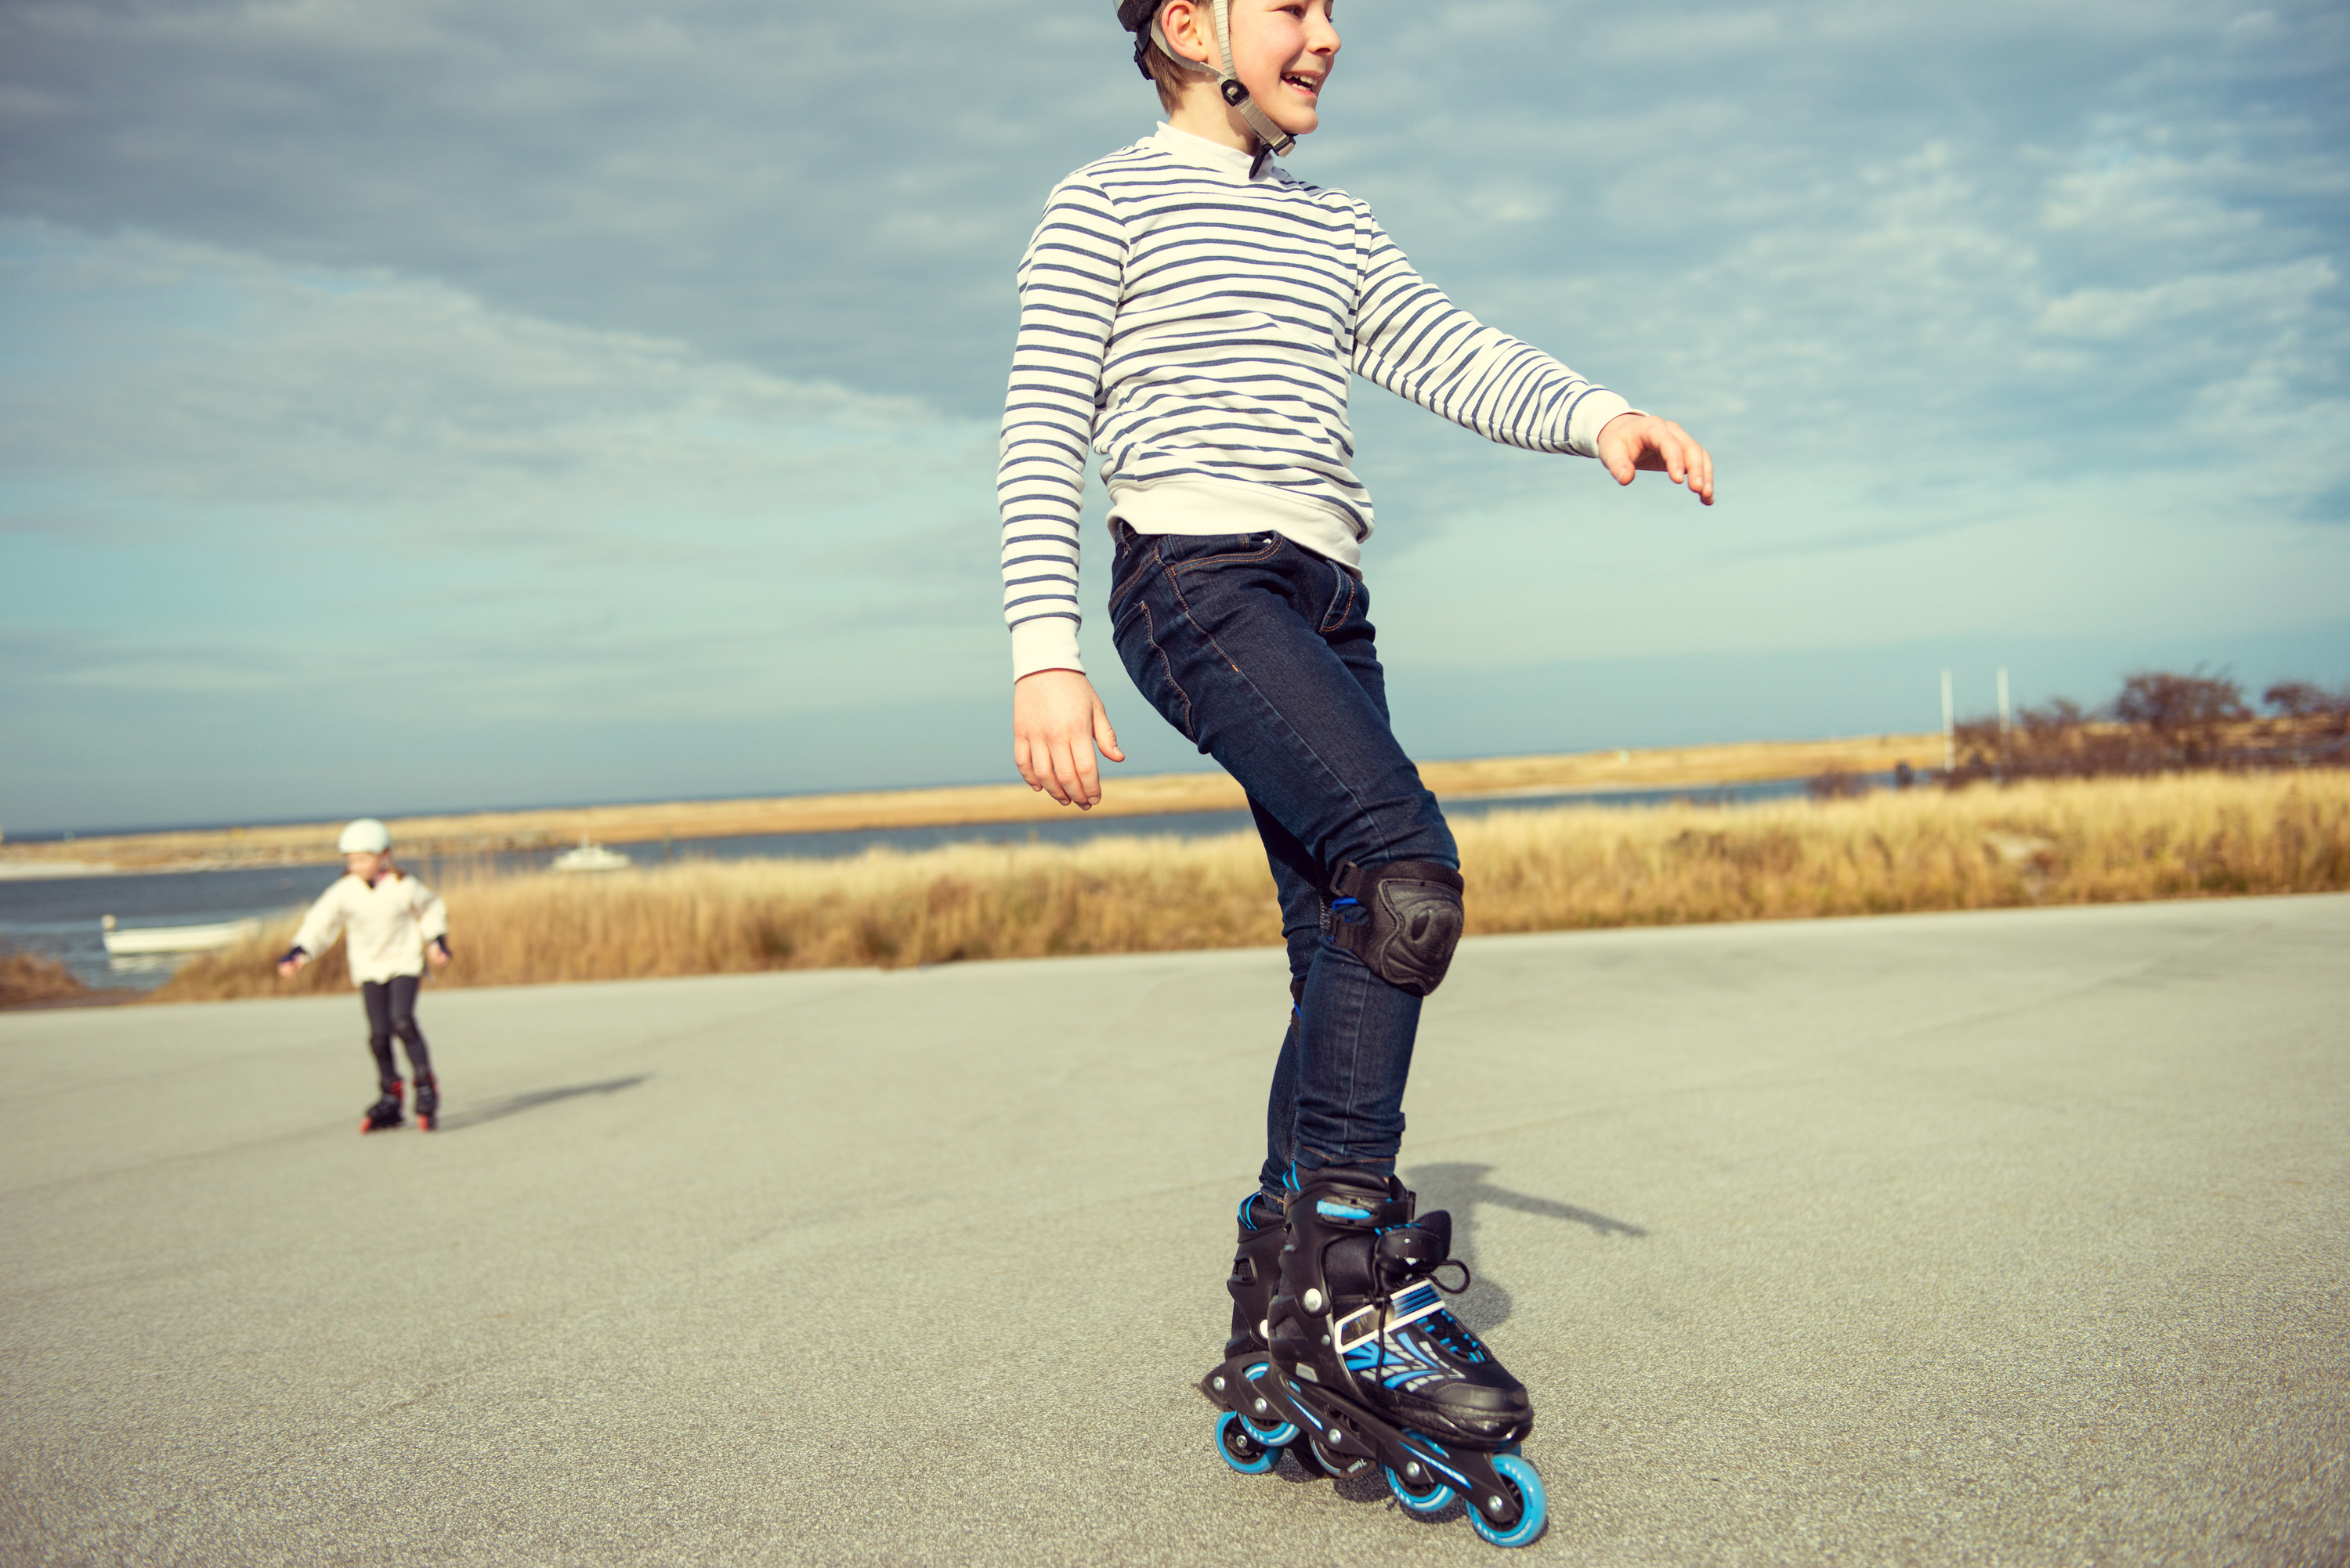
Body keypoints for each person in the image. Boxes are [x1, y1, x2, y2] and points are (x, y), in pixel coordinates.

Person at [998, 0, 1714, 1541]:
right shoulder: (1101, 202)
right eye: (1297, 8)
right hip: (1191, 576)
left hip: (1324, 588)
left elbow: (1447, 347)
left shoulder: (1335, 226)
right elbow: (1041, 423)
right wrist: (1041, 647)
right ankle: (1347, 1265)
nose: (1329, 34)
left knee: (1343, 923)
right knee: (1405, 875)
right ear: (1192, 25)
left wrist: (1601, 414)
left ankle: (1280, 1278)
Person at [277, 818, 453, 1133]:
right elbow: (321, 924)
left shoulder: (404, 886)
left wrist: (437, 942)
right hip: (369, 967)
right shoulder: (345, 891)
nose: (355, 865)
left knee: (403, 1021)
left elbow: (431, 909)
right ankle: (390, 1094)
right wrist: (299, 952)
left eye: (362, 858)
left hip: (404, 962)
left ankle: (425, 1084)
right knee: (378, 1035)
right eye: (350, 859)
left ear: (384, 855)